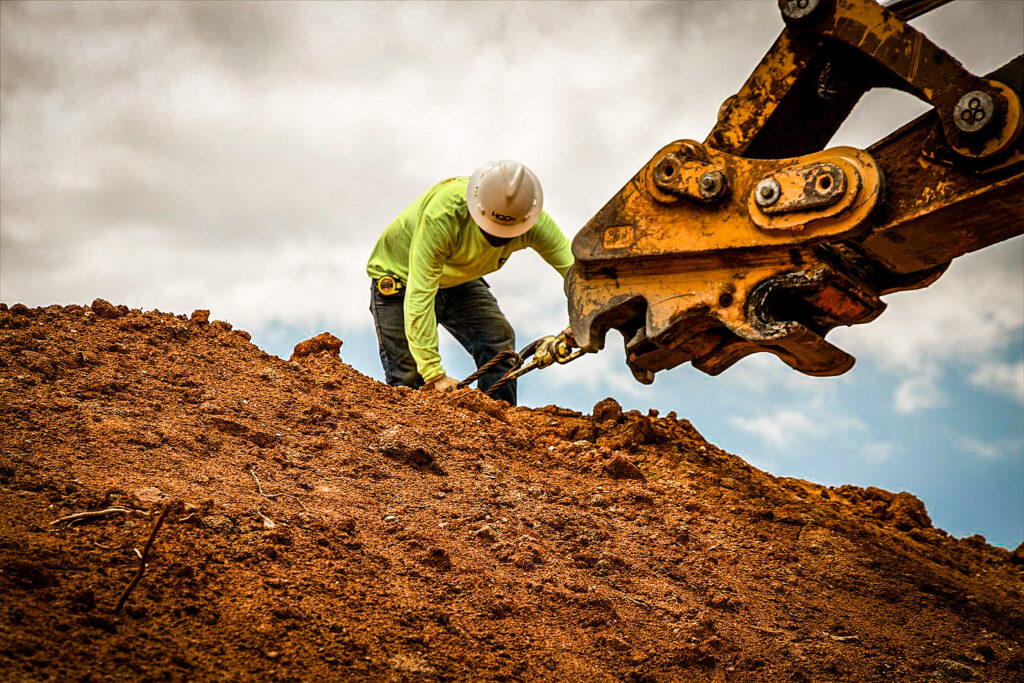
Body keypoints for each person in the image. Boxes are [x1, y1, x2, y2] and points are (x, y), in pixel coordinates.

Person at [366, 160, 573, 405]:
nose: (497, 237)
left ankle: (499, 424)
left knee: (498, 340)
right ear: (476, 209)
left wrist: (581, 324)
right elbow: (420, 293)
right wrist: (434, 375)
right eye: (490, 229)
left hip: (457, 279)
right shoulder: (444, 215)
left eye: (505, 232)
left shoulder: (532, 222)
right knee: (408, 382)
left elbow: (577, 273)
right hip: (402, 279)